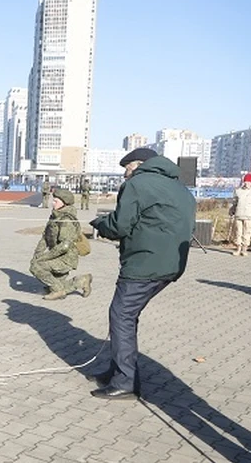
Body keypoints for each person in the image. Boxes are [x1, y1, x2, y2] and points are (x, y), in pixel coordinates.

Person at [89, 147, 196, 400]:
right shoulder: (180, 188)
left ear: (137, 165)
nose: (125, 175)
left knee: (121, 315)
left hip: (144, 264)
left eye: (126, 169)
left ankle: (125, 382)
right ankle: (118, 371)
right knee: (127, 315)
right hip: (171, 266)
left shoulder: (138, 184)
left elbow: (119, 225)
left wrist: (99, 224)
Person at [30, 188, 93, 300]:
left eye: (56, 201)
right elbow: (45, 237)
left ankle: (58, 290)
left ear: (64, 203)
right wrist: (37, 254)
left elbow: (64, 246)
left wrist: (43, 258)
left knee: (36, 266)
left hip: (66, 258)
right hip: (58, 255)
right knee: (54, 283)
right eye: (53, 200)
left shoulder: (66, 220)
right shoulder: (55, 216)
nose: (52, 203)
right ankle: (82, 280)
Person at [230, 173, 251, 256]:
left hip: (249, 216)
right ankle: (238, 249)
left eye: (248, 182)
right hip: (239, 215)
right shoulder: (238, 191)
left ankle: (244, 249)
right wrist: (231, 211)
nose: (246, 183)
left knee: (247, 233)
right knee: (238, 233)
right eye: (245, 181)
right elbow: (234, 203)